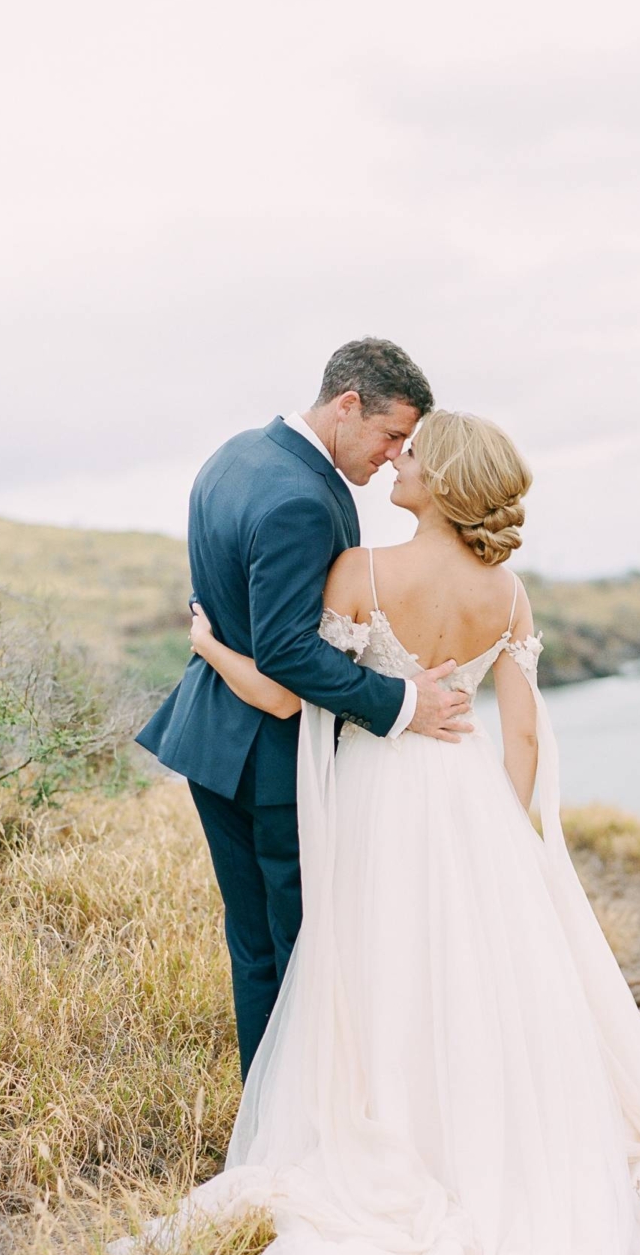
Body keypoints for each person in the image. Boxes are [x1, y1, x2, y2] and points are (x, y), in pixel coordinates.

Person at [125, 406, 640, 1255]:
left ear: (439, 483)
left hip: (378, 814)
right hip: (472, 813)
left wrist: (210, 642)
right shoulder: (507, 593)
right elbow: (525, 729)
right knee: (477, 994)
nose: (396, 462)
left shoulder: (360, 573)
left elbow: (292, 692)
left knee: (379, 985)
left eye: (414, 456)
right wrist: (515, 838)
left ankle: (393, 1140)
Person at [137, 338, 471, 1079]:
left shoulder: (235, 455)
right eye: (390, 435)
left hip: (216, 740)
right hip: (272, 756)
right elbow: (288, 651)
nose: (391, 456)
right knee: (300, 948)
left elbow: (238, 618)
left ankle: (268, 1113)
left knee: (256, 946)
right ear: (347, 405)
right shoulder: (298, 496)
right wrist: (402, 704)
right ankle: (295, 1130)